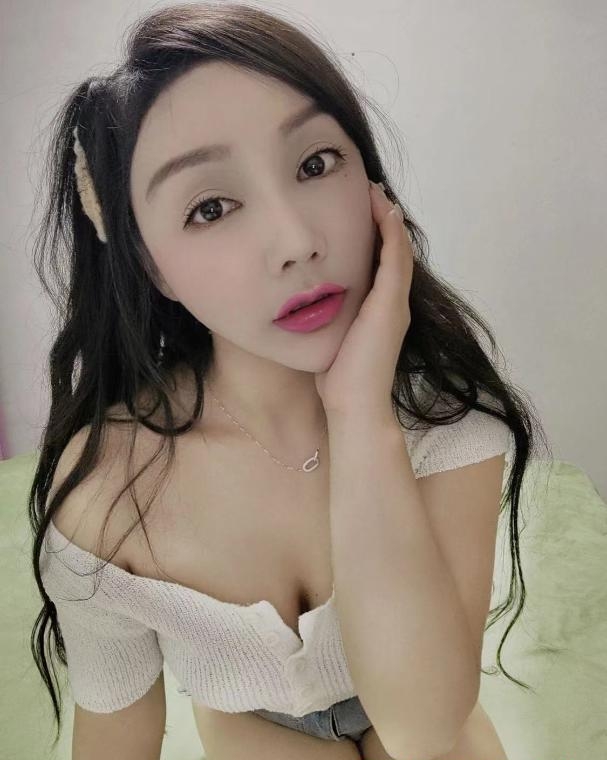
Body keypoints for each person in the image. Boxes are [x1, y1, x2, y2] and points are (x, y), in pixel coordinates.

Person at [29, 3, 551, 759]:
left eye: (314, 164)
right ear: (150, 265)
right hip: (253, 728)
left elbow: (424, 729)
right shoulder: (107, 493)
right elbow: (115, 734)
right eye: (210, 207)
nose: (297, 242)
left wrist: (361, 413)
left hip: (426, 712)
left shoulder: (444, 419)